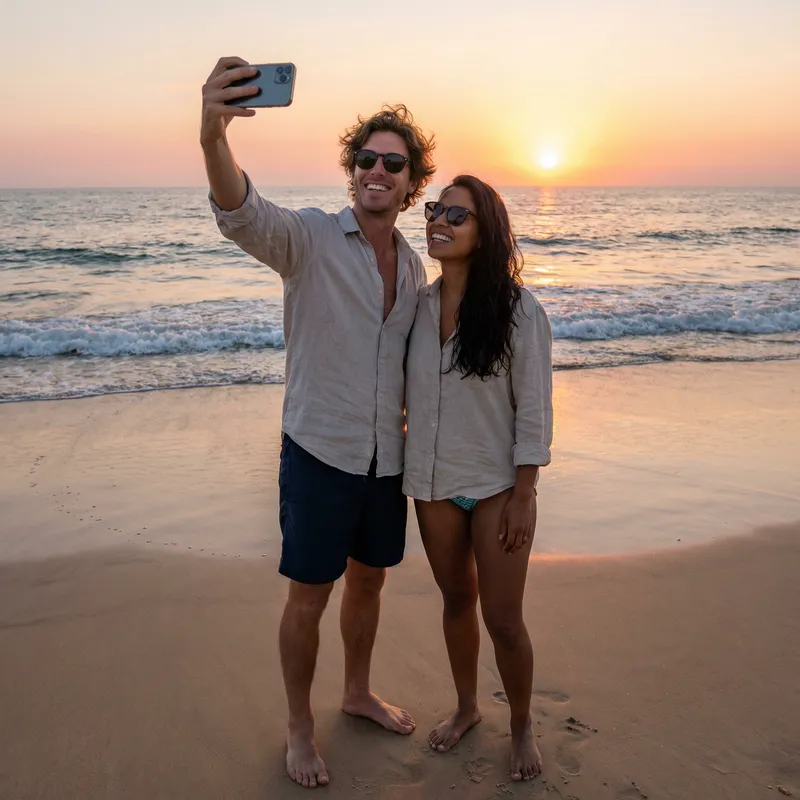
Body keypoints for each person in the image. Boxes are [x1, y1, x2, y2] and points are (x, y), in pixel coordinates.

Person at [200, 57, 435, 789]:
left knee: (370, 584)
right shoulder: (306, 239)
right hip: (318, 450)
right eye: (366, 158)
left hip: (383, 461)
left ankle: (357, 692)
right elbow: (241, 209)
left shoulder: (417, 267)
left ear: (411, 182)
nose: (377, 170)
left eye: (393, 164)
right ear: (351, 169)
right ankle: (300, 727)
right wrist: (212, 132)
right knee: (310, 596)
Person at [403, 175, 553, 782]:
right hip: (432, 481)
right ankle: (467, 707)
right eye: (436, 210)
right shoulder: (415, 306)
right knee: (456, 601)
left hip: (495, 485)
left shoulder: (519, 310)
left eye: (456, 215)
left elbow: (534, 408)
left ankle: (520, 723)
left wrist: (525, 493)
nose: (439, 220)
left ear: (485, 230)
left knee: (504, 617)